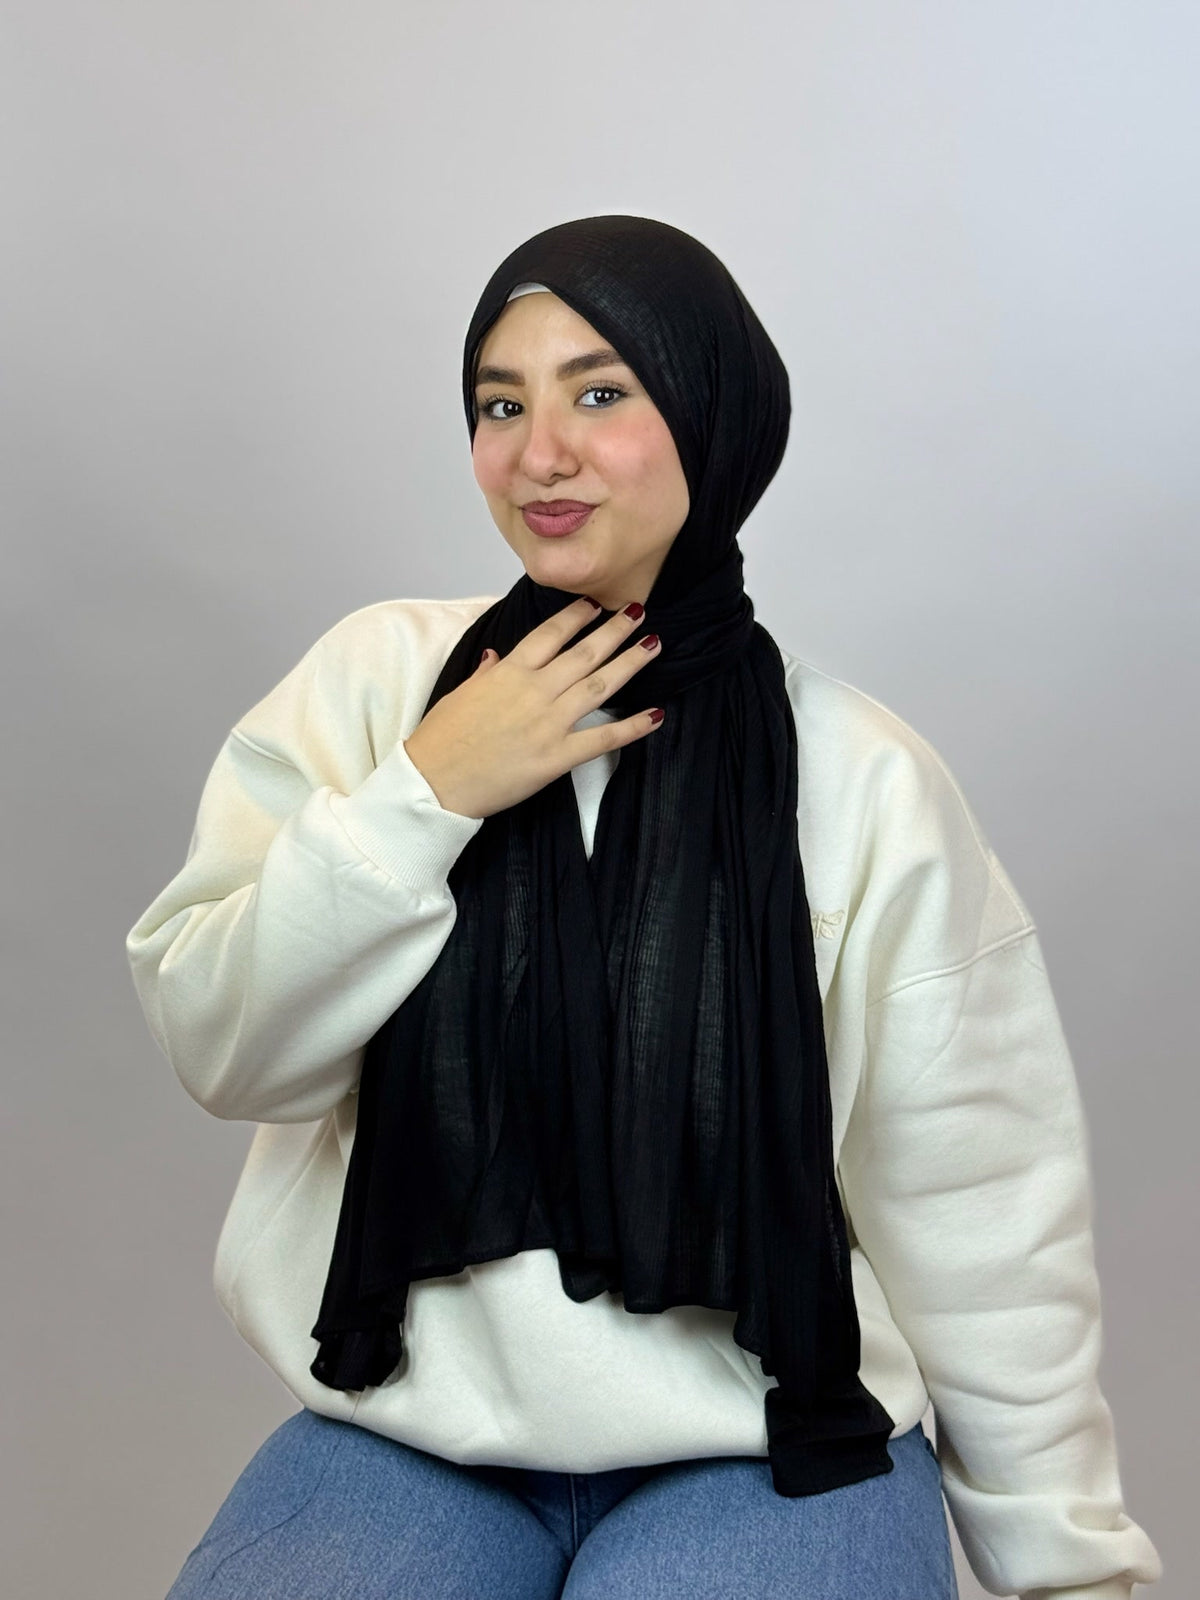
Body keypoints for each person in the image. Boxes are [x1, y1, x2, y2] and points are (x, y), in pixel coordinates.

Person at [126, 215, 1162, 1600]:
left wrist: (1068, 1570)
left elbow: (979, 1206)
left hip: (770, 1446)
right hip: (410, 1434)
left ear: (710, 414)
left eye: (600, 393)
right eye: (501, 404)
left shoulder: (862, 777)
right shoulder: (379, 688)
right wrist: (428, 793)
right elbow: (225, 1050)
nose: (538, 455)